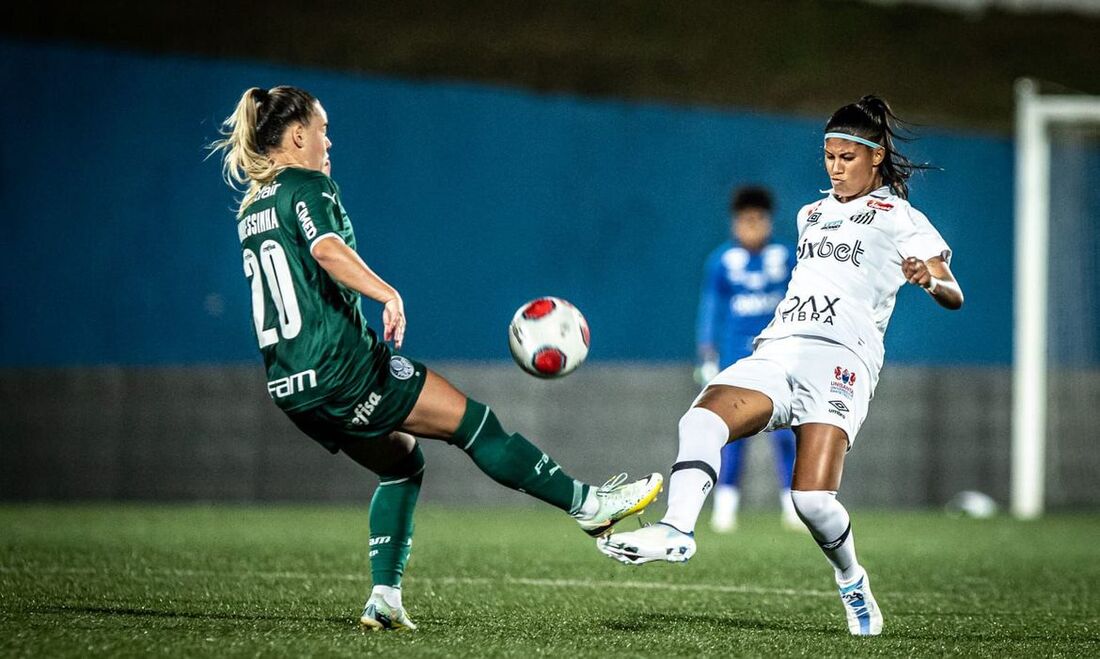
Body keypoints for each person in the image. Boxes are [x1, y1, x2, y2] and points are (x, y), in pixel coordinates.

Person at [209, 86, 663, 631]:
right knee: (475, 424)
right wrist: (387, 293)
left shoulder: (252, 207)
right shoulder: (307, 184)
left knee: (401, 463)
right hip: (344, 369)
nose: (329, 140)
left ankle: (384, 597)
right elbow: (326, 249)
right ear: (298, 135)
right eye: (323, 129)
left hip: (293, 388)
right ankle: (589, 505)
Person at [599, 95, 963, 637]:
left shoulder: (901, 218)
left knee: (813, 501)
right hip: (780, 347)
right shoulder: (809, 215)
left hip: (842, 362)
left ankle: (852, 581)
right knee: (700, 420)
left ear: (878, 156)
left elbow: (953, 291)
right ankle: (678, 529)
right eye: (829, 157)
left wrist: (928, 279)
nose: (836, 168)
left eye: (847, 158)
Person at [695, 185, 799, 533]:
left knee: (785, 432)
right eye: (745, 220)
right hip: (737, 358)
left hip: (780, 355)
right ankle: (725, 507)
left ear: (769, 221)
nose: (752, 227)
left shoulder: (787, 256)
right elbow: (711, 309)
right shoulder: (722, 260)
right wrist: (707, 352)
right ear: (735, 223)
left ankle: (793, 506)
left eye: (759, 219)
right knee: (732, 433)